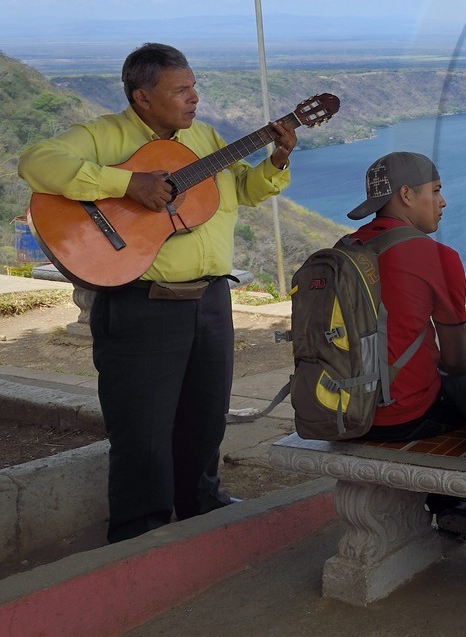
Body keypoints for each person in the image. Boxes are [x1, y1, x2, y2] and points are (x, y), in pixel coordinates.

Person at [18, 43, 295, 543]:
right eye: (181, 90)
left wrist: (275, 160)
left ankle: (201, 507)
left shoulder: (205, 138)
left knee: (205, 418)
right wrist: (124, 184)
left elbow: (246, 192)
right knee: (141, 431)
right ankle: (138, 537)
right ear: (142, 98)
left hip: (210, 300)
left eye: (194, 87)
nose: (195, 98)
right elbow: (37, 161)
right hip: (143, 304)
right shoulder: (106, 136)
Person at [345, 151, 466, 542]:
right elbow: (457, 360)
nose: (443, 201)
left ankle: (454, 504)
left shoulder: (347, 248)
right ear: (406, 194)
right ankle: (462, 502)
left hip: (341, 408)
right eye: (436, 191)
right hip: (399, 417)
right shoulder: (437, 257)